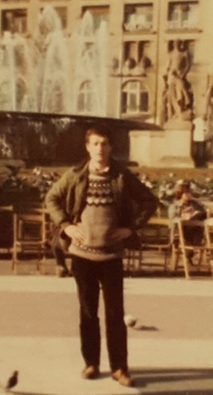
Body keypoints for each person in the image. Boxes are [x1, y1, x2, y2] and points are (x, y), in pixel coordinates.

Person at [45, 125, 157, 388]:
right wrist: (66, 225)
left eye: (104, 143)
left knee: (115, 314)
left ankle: (120, 368)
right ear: (87, 147)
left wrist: (130, 228)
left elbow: (149, 201)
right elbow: (52, 198)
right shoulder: (75, 175)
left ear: (110, 147)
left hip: (111, 256)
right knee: (87, 312)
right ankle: (91, 363)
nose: (100, 148)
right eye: (95, 143)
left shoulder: (121, 175)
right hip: (82, 256)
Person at [168, 182, 207, 247]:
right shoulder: (174, 206)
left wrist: (195, 213)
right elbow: (172, 218)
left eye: (190, 193)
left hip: (194, 227)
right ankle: (186, 247)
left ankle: (195, 246)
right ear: (181, 194)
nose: (189, 195)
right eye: (186, 193)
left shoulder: (194, 204)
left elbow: (203, 210)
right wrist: (183, 217)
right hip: (180, 229)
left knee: (201, 224)